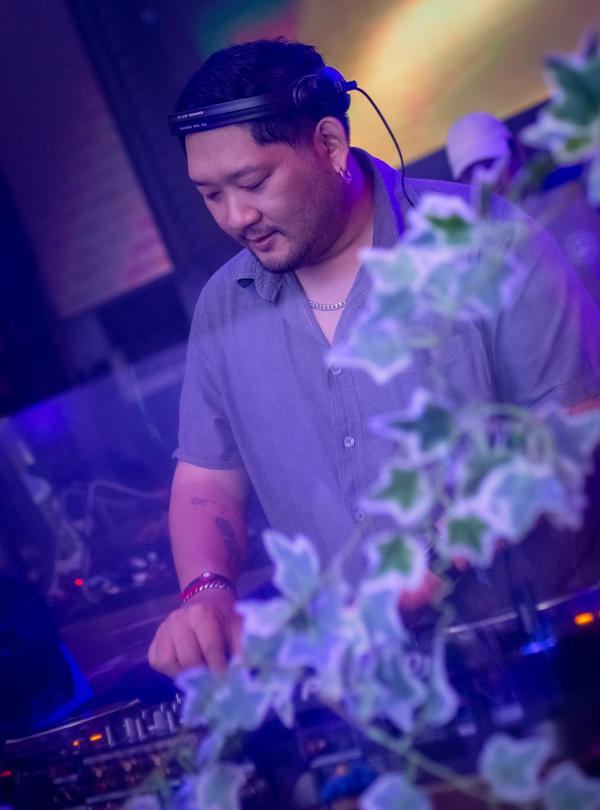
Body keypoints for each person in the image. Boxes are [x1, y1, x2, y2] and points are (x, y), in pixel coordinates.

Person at [148, 40, 600, 678]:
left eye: (252, 183)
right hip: (368, 693)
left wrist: (436, 565)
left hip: (550, 659)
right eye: (210, 195)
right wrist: (206, 593)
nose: (236, 217)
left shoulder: (484, 243)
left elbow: (577, 428)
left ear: (329, 143)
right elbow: (206, 481)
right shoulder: (223, 307)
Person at [446, 110, 600, 309]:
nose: (489, 179)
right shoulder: (479, 252)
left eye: (491, 163)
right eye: (471, 174)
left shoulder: (577, 187)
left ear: (517, 151)